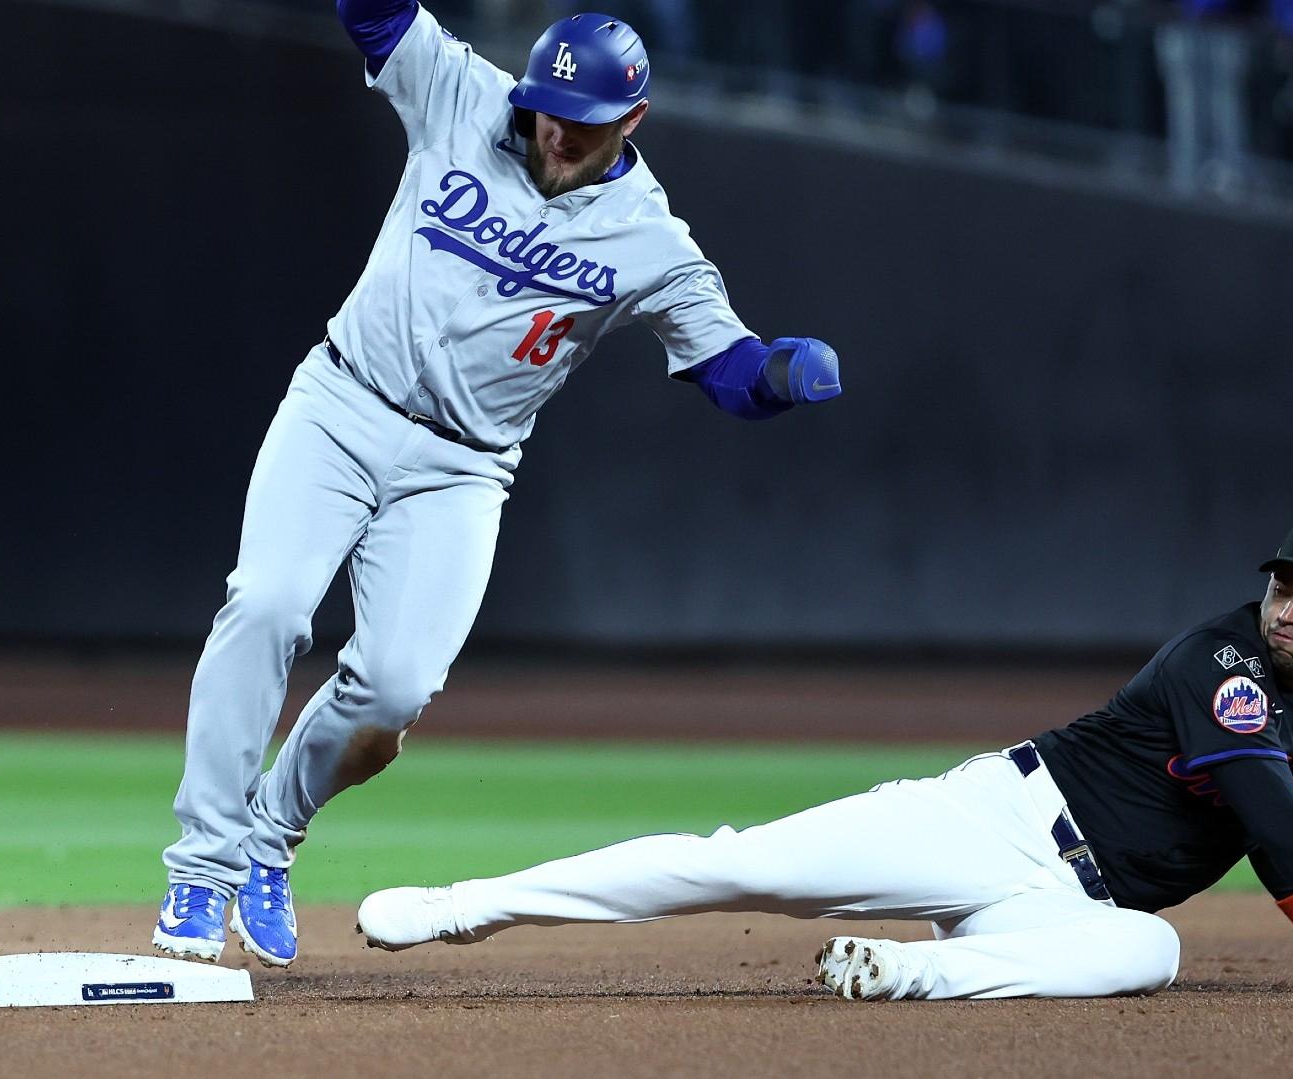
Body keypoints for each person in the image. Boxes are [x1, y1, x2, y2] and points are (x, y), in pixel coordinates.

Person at [152, 1, 843, 968]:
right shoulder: (465, 97)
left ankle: (271, 832)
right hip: (343, 403)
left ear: (632, 122)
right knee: (265, 603)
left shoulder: (649, 240)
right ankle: (203, 867)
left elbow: (726, 370)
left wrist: (778, 374)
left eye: (582, 119)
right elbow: (374, 17)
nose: (555, 131)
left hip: (463, 466)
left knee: (393, 691)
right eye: (548, 108)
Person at [354, 518, 1293, 1000]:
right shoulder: (1219, 658)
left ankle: (909, 973)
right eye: (1282, 583)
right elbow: (1272, 817)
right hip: (990, 819)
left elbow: (1272, 844)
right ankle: (470, 904)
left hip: (1060, 905)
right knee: (735, 865)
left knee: (1151, 948)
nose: (1286, 608)